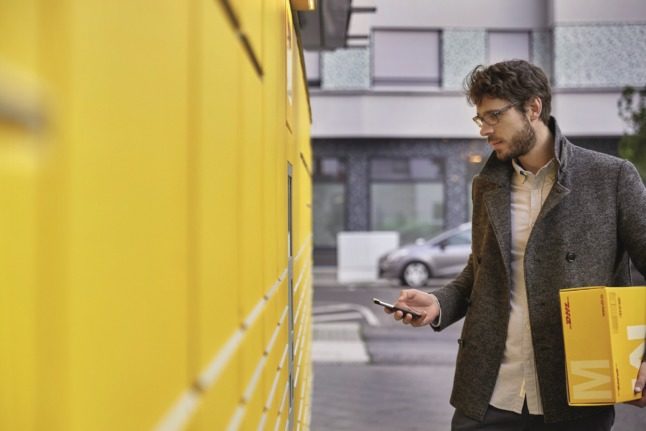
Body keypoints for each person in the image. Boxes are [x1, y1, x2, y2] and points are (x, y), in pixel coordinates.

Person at [382, 59, 646, 430]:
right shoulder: (487, 184)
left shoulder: (611, 177)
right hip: (489, 394)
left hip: (578, 391)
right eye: (480, 119)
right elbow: (480, 270)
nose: (485, 130)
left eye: (494, 116)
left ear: (533, 108)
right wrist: (439, 303)